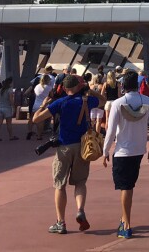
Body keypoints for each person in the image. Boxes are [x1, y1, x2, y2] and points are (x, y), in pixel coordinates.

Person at [33, 74, 107, 235]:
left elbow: (36, 119)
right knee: (80, 182)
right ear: (80, 87)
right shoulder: (87, 101)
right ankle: (80, 209)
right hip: (82, 147)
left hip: (64, 147)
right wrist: (90, 91)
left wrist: (43, 105)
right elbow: (103, 101)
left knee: (60, 184)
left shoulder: (61, 103)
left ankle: (61, 222)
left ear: (65, 88)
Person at [102, 71, 149, 239]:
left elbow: (111, 131)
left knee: (125, 187)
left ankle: (126, 223)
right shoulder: (146, 101)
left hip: (122, 151)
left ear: (123, 85)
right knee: (129, 186)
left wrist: (105, 151)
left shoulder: (118, 104)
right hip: (139, 150)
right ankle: (124, 217)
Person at [0, 77, 19, 142]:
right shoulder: (10, 90)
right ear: (10, 83)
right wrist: (13, 106)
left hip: (0, 107)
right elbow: (11, 100)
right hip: (7, 108)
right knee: (9, 123)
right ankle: (11, 136)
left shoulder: (0, 90)